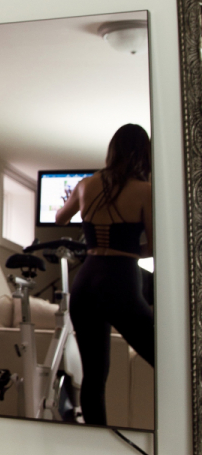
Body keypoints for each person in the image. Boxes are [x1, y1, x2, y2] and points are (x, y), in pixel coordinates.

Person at [55, 124, 154, 429]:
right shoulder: (144, 190)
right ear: (143, 153)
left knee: (94, 377)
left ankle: (95, 444)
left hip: (86, 282)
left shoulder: (86, 184)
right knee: (167, 360)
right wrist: (128, 247)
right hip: (121, 282)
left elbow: (60, 218)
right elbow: (156, 244)